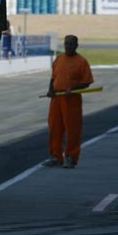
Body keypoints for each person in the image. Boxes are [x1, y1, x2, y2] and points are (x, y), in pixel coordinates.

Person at [42, 35, 93, 169]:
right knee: (54, 127)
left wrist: (74, 88)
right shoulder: (59, 59)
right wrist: (50, 90)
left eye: (71, 44)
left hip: (72, 99)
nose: (68, 46)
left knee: (72, 129)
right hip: (57, 98)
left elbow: (87, 82)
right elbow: (53, 77)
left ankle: (70, 157)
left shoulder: (81, 61)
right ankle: (55, 156)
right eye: (66, 43)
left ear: (76, 45)